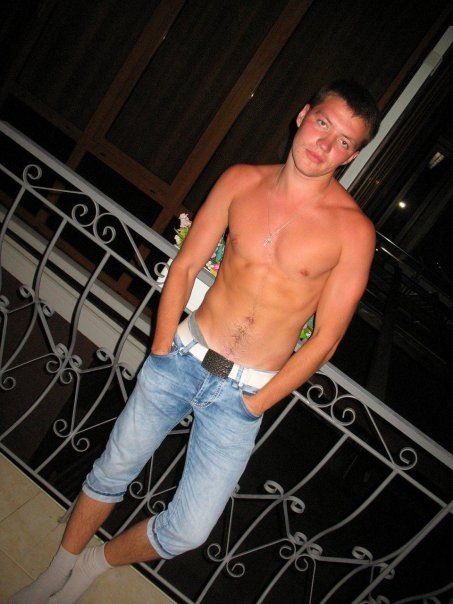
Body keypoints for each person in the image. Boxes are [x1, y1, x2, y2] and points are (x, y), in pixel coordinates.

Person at [11, 80, 380, 603]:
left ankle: (95, 562)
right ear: (302, 116)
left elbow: (326, 340)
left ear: (352, 156)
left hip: (244, 395)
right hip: (181, 356)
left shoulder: (352, 232)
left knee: (189, 529)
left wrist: (256, 404)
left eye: (343, 141)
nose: (325, 145)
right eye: (323, 124)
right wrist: (161, 348)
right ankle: (57, 573)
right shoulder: (240, 180)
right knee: (112, 470)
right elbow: (185, 266)